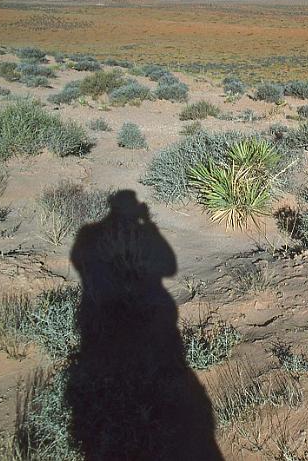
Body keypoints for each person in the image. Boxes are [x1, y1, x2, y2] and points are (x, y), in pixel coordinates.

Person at [66, 190, 222, 460]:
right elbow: (170, 266)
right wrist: (148, 225)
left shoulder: (88, 233)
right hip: (137, 310)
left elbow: (80, 263)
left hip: (105, 311)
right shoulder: (134, 231)